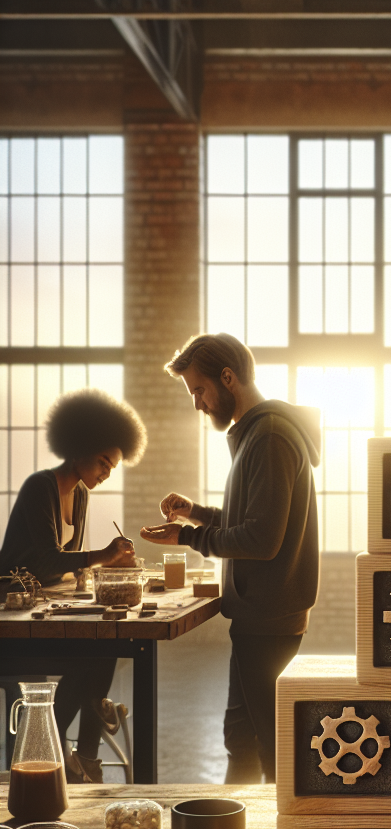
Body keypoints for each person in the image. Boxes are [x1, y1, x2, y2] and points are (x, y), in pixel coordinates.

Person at [140, 333, 321, 784]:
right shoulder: (256, 434)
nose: (198, 404)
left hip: (269, 617)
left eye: (199, 390)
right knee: (240, 738)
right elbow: (250, 519)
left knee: (272, 748)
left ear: (228, 377)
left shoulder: (271, 436)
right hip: (257, 614)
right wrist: (197, 513)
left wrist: (189, 535)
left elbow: (261, 539)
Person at [0, 388, 145, 780]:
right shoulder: (40, 487)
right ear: (80, 447)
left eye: (112, 467)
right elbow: (49, 560)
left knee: (108, 646)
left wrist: (103, 568)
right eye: (103, 462)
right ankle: (55, 747)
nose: (105, 472)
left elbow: (68, 568)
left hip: (41, 611)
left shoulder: (79, 495)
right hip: (13, 620)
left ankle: (83, 758)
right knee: (97, 657)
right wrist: (104, 555)